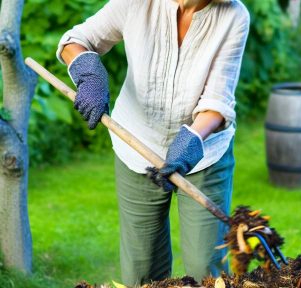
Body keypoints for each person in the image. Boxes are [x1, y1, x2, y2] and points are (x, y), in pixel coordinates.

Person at [56, 0, 250, 285]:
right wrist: (89, 74)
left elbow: (217, 100)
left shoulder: (234, 16)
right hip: (136, 146)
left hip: (202, 153)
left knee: (205, 267)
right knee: (141, 269)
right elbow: (75, 41)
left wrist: (191, 140)